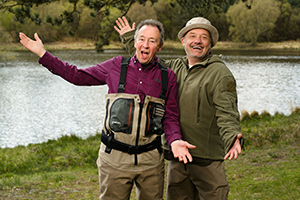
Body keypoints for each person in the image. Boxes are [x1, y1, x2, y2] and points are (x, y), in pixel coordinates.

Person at [19, 19, 196, 200]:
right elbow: (77, 76)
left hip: (151, 161)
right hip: (114, 159)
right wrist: (43, 54)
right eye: (142, 39)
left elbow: (171, 117)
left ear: (160, 46)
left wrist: (175, 140)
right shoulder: (116, 66)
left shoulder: (168, 77)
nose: (145, 44)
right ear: (135, 42)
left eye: (152, 41)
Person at [115, 16, 244, 200]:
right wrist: (130, 37)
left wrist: (232, 136)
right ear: (183, 41)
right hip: (178, 159)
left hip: (207, 161)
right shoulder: (174, 67)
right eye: (192, 36)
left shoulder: (220, 73)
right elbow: (148, 61)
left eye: (203, 37)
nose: (197, 41)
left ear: (211, 43)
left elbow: (227, 111)